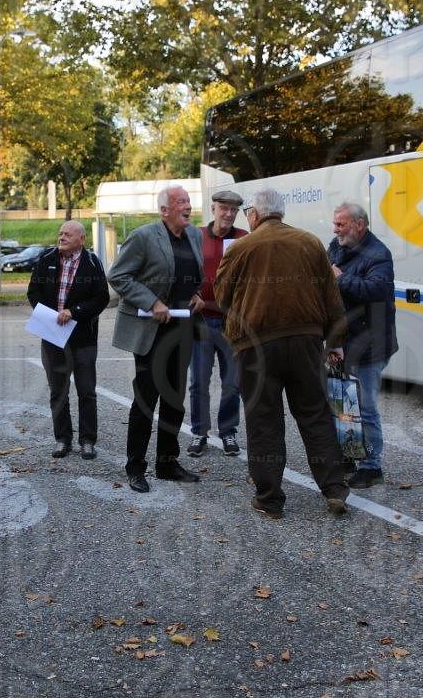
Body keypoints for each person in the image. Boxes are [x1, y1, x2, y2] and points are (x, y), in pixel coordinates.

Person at [215, 188, 350, 518]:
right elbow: (331, 296)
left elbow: (221, 296)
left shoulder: (241, 248)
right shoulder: (310, 243)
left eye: (247, 212)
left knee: (264, 420)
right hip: (305, 341)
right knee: (315, 414)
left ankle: (270, 498)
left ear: (255, 215)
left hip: (256, 346)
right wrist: (335, 341)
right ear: (281, 212)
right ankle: (334, 489)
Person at [108, 185, 205, 493]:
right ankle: (135, 467)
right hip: (151, 331)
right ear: (164, 210)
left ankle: (167, 463)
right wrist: (152, 302)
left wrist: (197, 295)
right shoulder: (143, 237)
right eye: (181, 202)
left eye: (188, 201)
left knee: (174, 400)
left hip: (182, 328)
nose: (187, 206)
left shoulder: (195, 235)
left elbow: (192, 275)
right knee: (146, 400)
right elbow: (118, 276)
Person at [27, 220, 111, 460]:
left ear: (82, 239)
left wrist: (74, 312)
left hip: (83, 337)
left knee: (87, 391)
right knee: (58, 391)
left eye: (67, 235)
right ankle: (62, 439)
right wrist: (49, 315)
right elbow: (33, 291)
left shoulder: (92, 262)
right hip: (52, 335)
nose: (61, 237)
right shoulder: (47, 258)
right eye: (61, 233)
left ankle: (87, 440)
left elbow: (101, 298)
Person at [328, 202, 398, 489]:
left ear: (359, 225)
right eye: (335, 223)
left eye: (341, 224)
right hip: (343, 341)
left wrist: (341, 279)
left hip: (371, 344)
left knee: (366, 408)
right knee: (343, 401)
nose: (335, 229)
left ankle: (372, 465)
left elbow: (376, 290)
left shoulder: (379, 254)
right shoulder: (336, 246)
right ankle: (349, 453)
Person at [188, 189, 248, 458]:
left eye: (233, 210)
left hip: (231, 322)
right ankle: (199, 432)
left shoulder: (243, 238)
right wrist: (191, 294)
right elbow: (183, 270)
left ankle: (228, 431)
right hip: (201, 321)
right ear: (213, 209)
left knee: (232, 383)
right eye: (224, 208)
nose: (229, 214)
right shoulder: (196, 235)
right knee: (199, 382)